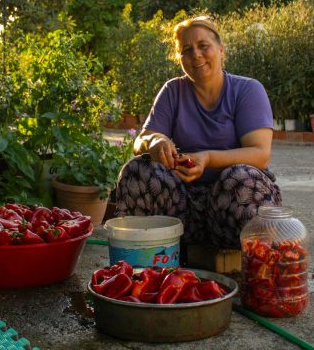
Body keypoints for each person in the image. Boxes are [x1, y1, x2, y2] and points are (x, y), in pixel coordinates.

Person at [114, 15, 282, 249]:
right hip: (183, 210)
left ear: (221, 50)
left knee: (240, 176)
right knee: (137, 170)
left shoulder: (247, 90)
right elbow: (141, 139)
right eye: (186, 50)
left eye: (203, 46)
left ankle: (257, 263)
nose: (196, 55)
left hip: (233, 206)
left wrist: (209, 159)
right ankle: (145, 259)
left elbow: (260, 154)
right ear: (179, 58)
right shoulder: (173, 90)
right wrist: (156, 141)